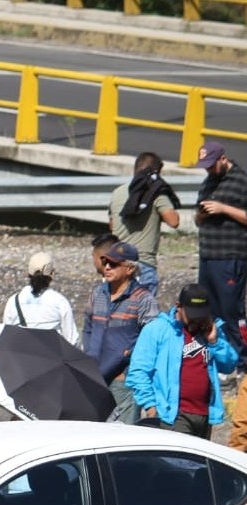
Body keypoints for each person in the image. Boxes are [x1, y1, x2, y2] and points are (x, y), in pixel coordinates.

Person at [126, 284, 237, 439]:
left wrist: (214, 342)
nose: (197, 318)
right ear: (178, 306)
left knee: (200, 463)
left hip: (204, 414)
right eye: (192, 313)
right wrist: (151, 406)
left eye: (201, 314)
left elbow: (229, 366)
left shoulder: (211, 329)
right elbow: (138, 371)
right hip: (172, 415)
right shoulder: (158, 329)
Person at [82, 241, 159, 424]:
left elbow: (151, 342)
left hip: (123, 382)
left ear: (130, 269)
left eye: (114, 264)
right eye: (105, 262)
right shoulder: (97, 294)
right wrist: (88, 356)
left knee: (123, 439)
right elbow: (87, 328)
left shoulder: (144, 300)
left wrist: (129, 365)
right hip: (95, 379)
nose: (107, 267)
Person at [195, 141, 247, 371]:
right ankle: (221, 360)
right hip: (208, 255)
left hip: (231, 256)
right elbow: (196, 219)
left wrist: (224, 209)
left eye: (211, 165)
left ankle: (241, 361)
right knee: (209, 311)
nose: (208, 170)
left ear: (223, 158)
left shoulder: (241, 180)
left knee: (231, 311)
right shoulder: (208, 182)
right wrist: (202, 215)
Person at [109, 151, 180, 296]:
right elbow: (174, 222)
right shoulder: (156, 193)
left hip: (116, 263)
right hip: (143, 264)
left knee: (117, 313)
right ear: (156, 172)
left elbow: (112, 226)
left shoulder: (117, 192)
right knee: (144, 316)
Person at [1, 252, 80, 346]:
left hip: (22, 356)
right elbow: (72, 339)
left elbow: (6, 336)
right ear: (52, 274)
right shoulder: (59, 302)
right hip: (51, 357)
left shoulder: (14, 301)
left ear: (28, 274)